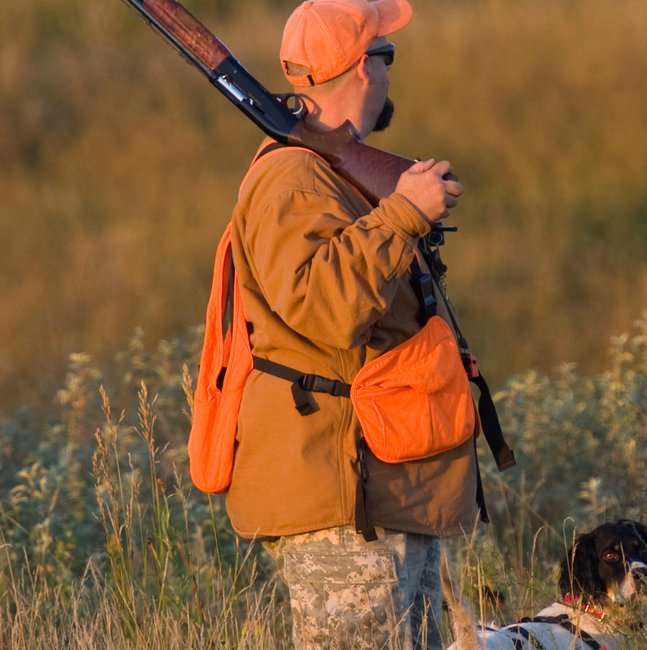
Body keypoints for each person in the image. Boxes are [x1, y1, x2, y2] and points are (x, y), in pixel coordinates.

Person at [224, 0, 475, 646]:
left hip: (378, 487)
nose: (391, 71)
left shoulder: (333, 172)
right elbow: (324, 307)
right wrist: (401, 217)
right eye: (386, 55)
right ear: (364, 67)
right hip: (342, 494)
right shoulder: (291, 178)